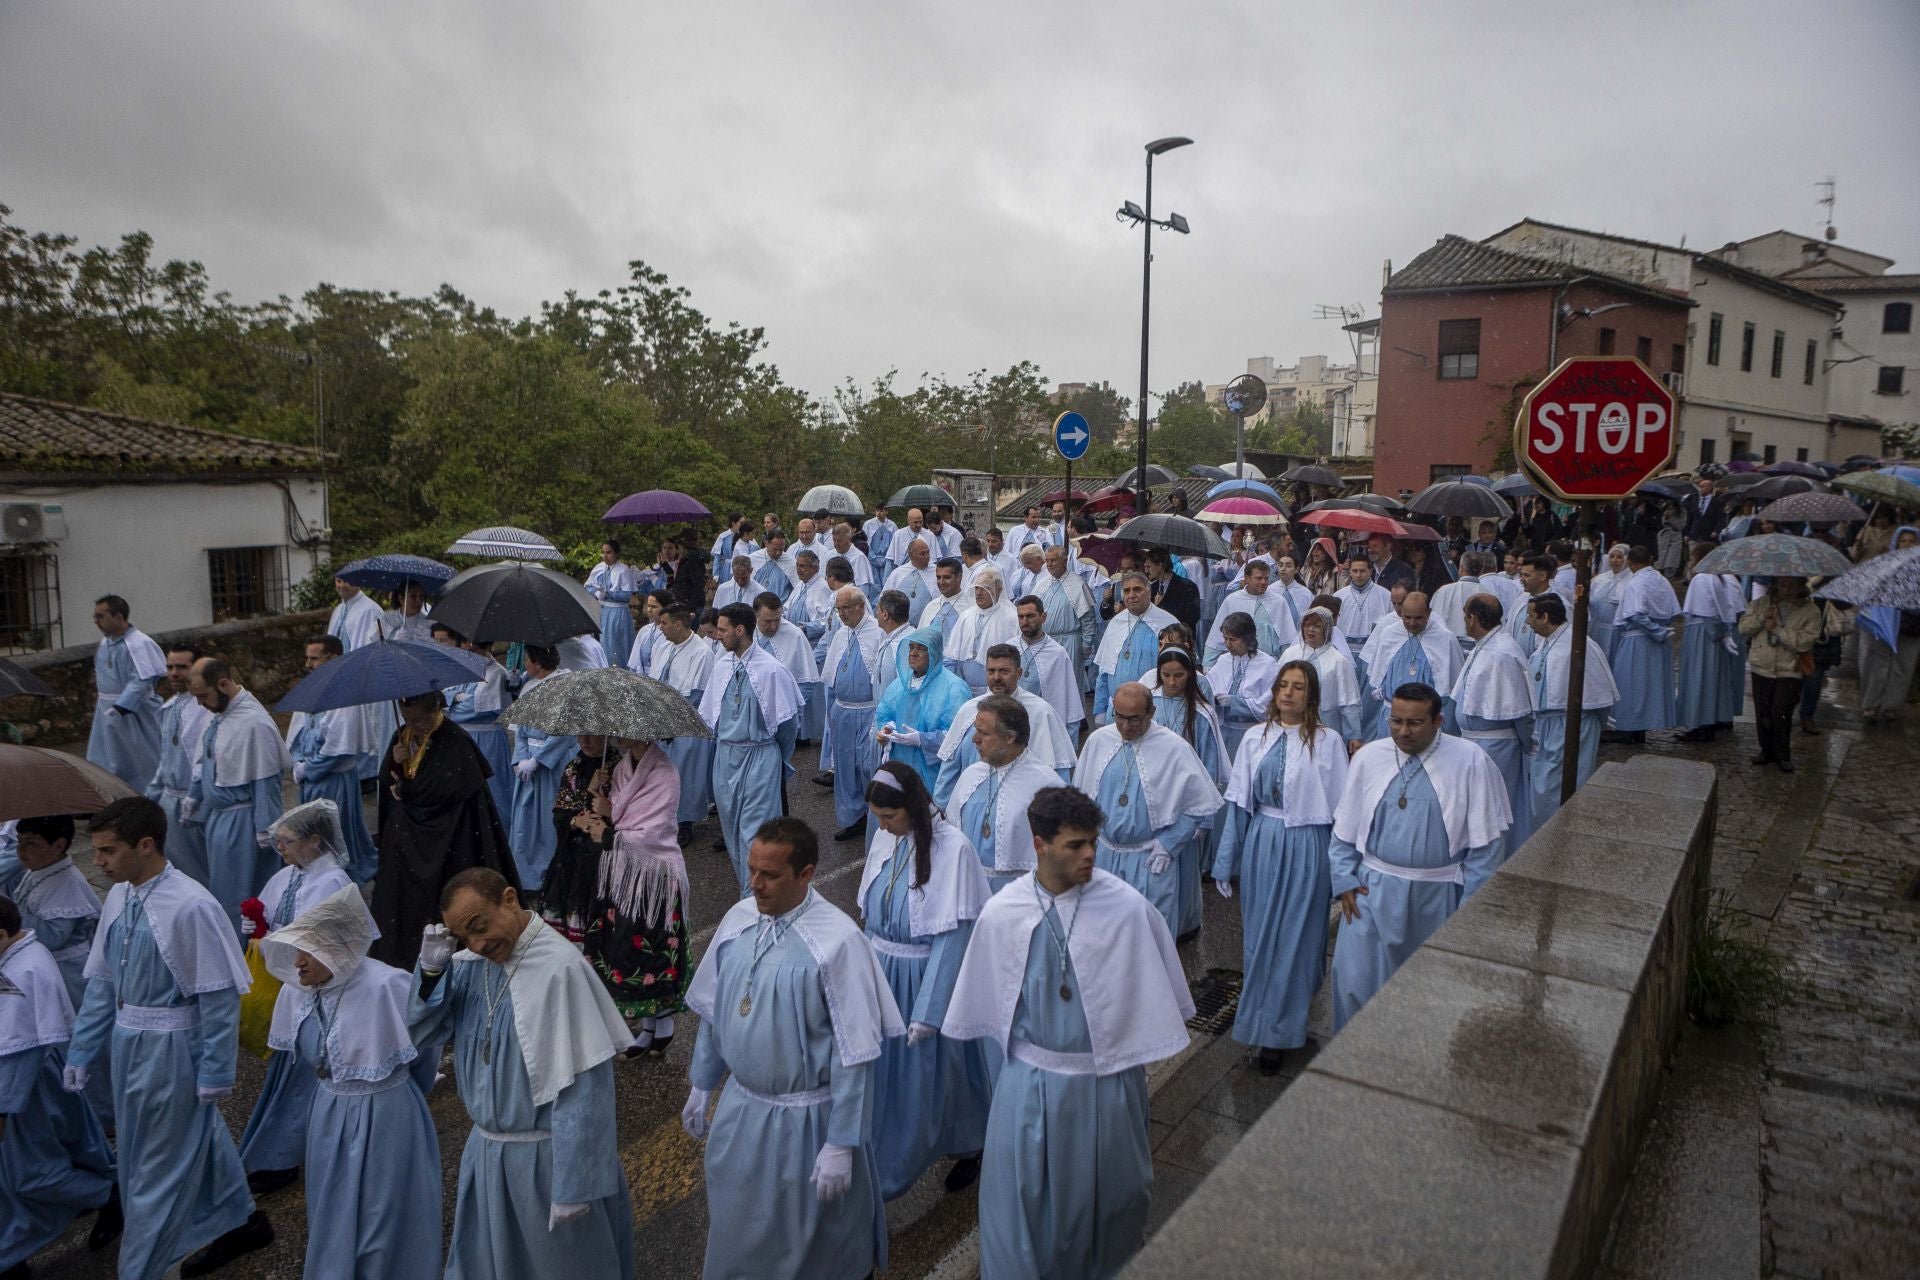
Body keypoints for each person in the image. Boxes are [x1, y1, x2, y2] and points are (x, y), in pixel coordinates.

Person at [943, 785, 1193, 1278]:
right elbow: (987, 1011)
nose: (1090, 855)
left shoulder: (1126, 908)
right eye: (1075, 845)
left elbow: (1155, 997)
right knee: (1019, 1209)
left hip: (1106, 1083)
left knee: (1113, 1206)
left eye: (1092, 843)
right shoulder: (1003, 912)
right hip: (1030, 1085)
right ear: (1039, 844)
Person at [682, 819, 904, 1280]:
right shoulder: (739, 921)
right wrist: (702, 1085)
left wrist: (842, 1142)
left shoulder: (838, 942)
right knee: (740, 1229)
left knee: (811, 1240)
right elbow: (716, 1010)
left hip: (806, 1125)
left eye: (769, 875)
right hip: (743, 1112)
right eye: (751, 870)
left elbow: (853, 1053)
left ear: (806, 874)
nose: (754, 885)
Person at [66, 796, 273, 1278]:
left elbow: (217, 997)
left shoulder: (191, 905)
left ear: (146, 845)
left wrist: (216, 1070)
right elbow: (103, 983)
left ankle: (141, 1266)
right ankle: (243, 1220)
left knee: (153, 1167)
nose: (96, 862)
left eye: (107, 851)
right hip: (128, 1045)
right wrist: (82, 1049)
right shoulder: (120, 895)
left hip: (171, 1052)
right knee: (171, 1142)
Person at [410, 869, 636, 1280]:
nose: (477, 945)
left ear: (509, 899)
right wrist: (430, 970)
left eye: (480, 927)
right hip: (488, 1154)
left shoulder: (559, 969)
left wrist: (575, 1184)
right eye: (464, 938)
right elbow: (424, 1032)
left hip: (547, 1166)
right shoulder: (470, 965)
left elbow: (585, 1087)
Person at [258, 884, 440, 1278]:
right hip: (329, 1109)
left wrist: (408, 1094)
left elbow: (425, 1047)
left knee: (383, 1212)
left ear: (338, 949)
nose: (298, 962)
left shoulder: (385, 985)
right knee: (332, 1204)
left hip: (387, 1110)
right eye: (296, 950)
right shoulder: (298, 993)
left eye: (309, 951)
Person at [1327, 685, 1512, 1029]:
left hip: (1435, 899)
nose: (1402, 731)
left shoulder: (1470, 761)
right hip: (1371, 895)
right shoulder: (1369, 757)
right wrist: (1344, 880)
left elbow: (1486, 850)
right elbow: (1344, 832)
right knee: (1356, 989)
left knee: (1427, 1003)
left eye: (1414, 723)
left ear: (1438, 720)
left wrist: (1466, 914)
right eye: (1395, 721)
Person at [856, 763, 993, 1198]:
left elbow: (953, 939)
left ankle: (964, 1144)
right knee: (884, 1079)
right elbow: (869, 914)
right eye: (877, 818)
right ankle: (879, 1158)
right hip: (882, 971)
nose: (882, 826)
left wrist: (929, 1012)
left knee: (933, 1075)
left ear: (911, 808)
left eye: (888, 817)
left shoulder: (954, 849)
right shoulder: (887, 837)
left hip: (922, 980)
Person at [1212, 659, 1350, 1073]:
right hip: (1264, 840)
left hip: (1309, 842)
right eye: (1283, 686)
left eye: (1298, 687)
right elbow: (1238, 803)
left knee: (1299, 938)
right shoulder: (1256, 738)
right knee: (1260, 939)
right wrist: (1225, 862)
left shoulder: (1328, 742)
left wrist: (1342, 874)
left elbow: (1342, 812)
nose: (1288, 693)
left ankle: (1285, 1028)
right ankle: (1262, 1024)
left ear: (1311, 697)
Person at [234, 799, 359, 1198]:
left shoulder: (332, 882)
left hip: (319, 991)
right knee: (291, 1074)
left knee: (305, 1076)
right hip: (294, 987)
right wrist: (257, 921)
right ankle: (279, 1152)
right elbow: (273, 915)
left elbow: (321, 939)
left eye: (287, 841)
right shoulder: (291, 874)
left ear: (314, 840)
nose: (280, 850)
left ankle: (282, 1157)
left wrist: (271, 936)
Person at [0, 892, 120, 1276]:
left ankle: (108, 1194)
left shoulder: (23, 971)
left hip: (24, 1087)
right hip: (25, 1080)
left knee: (31, 1173)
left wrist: (4, 1109)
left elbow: (17, 1044)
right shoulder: (17, 957)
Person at [370, 690, 517, 973]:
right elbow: (390, 785)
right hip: (406, 841)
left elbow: (446, 789)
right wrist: (394, 763)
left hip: (450, 839)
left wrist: (407, 789)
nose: (416, 726)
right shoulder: (403, 737)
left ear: (436, 709)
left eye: (421, 720)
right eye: (409, 719)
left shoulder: (455, 741)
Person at [1073, 682, 1222, 940]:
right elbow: (1081, 797)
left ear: (1151, 713)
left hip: (1149, 859)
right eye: (1119, 717)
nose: (1126, 727)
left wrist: (1169, 843)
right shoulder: (1099, 740)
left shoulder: (1174, 748)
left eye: (1134, 719)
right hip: (1105, 856)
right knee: (1104, 935)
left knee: (1149, 940)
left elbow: (1199, 805)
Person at [576, 737, 694, 1053]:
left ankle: (663, 1019)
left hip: (654, 872)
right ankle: (647, 1024)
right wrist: (601, 800)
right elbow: (618, 819)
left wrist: (610, 824)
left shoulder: (665, 772)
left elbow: (653, 832)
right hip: (625, 872)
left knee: (654, 944)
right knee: (628, 945)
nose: (616, 733)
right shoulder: (619, 770)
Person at [702, 602, 803, 893]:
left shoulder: (771, 670)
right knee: (731, 830)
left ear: (740, 629)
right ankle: (750, 891)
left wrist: (774, 760)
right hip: (725, 758)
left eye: (722, 630)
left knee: (755, 834)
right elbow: (712, 716)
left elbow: (787, 726)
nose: (717, 636)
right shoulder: (721, 665)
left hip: (759, 757)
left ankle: (757, 898)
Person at [187, 657, 290, 937]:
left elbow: (266, 782)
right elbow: (208, 762)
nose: (200, 704)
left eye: (203, 696)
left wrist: (265, 829)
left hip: (242, 824)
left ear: (223, 684)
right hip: (220, 821)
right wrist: (195, 797)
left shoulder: (255, 723)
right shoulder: (220, 716)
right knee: (222, 889)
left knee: (240, 893)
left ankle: (243, 950)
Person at [285, 634, 382, 884]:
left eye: (314, 658)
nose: (308, 665)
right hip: (311, 780)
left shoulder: (346, 694)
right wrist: (297, 762)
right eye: (307, 658)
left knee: (335, 835)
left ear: (334, 658)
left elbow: (339, 748)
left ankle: (339, 880)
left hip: (333, 781)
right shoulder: (314, 688)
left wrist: (309, 769)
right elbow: (299, 733)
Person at [947, 696, 1066, 895]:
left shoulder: (1047, 785)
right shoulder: (970, 776)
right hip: (967, 889)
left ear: (1010, 737)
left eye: (983, 733)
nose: (974, 739)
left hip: (1020, 896)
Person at [933, 644, 1076, 806]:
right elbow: (949, 767)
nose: (996, 677)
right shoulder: (968, 710)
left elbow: (1058, 774)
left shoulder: (1041, 712)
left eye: (1004, 671)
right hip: (975, 803)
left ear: (1019, 673)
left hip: (1023, 809)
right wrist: (939, 811)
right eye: (991, 671)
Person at [1450, 595, 1536, 861]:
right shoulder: (1484, 645)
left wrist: (1526, 743)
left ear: (1473, 619)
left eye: (1465, 616)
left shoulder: (1501, 652)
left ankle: (1493, 859)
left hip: (1497, 746)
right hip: (1477, 743)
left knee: (1494, 807)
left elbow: (1519, 711)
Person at [1151, 647, 1228, 940]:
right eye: (1166, 675)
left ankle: (1184, 922)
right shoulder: (1151, 702)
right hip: (1155, 794)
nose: (1171, 682)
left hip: (1186, 799)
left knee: (1183, 864)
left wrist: (1204, 819)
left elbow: (1208, 766)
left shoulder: (1201, 712)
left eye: (1179, 676)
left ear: (1190, 676)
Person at [1526, 594, 1618, 835]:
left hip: (1570, 722)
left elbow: (1597, 694)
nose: (1527, 621)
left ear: (1545, 617)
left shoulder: (1575, 646)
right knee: (1544, 785)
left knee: (1563, 783)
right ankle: (1544, 833)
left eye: (1531, 615)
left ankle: (1564, 832)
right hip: (1547, 724)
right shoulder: (1547, 641)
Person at [6, 815, 101, 1015]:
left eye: (31, 843)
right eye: (20, 842)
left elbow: (54, 937)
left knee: (69, 1019)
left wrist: (14, 913)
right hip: (48, 966)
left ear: (59, 845)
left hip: (67, 972)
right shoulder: (39, 870)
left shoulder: (66, 882)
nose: (21, 851)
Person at [816, 586, 886, 842]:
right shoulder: (840, 635)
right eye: (838, 608)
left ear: (860, 606)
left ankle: (876, 816)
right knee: (845, 769)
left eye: (846, 608)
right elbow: (832, 676)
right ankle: (852, 816)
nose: (841, 614)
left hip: (868, 710)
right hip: (843, 710)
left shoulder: (877, 634)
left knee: (868, 766)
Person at [433, 621, 517, 821]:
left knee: (494, 792)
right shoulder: (462, 668)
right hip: (463, 737)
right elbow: (446, 701)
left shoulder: (496, 673)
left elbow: (469, 709)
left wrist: (457, 700)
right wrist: (456, 700)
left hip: (487, 739)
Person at [508, 646, 577, 890]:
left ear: (538, 663)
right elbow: (520, 732)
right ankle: (527, 874)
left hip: (552, 764)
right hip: (529, 763)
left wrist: (539, 759)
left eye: (527, 659)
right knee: (526, 822)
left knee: (549, 820)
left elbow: (566, 732)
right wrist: (521, 758)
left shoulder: (565, 687)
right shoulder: (529, 687)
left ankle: (551, 872)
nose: (524, 663)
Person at [873, 625, 971, 795]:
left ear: (933, 652)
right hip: (900, 769)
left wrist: (923, 739)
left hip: (933, 775)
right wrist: (888, 729)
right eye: (911, 647)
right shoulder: (901, 684)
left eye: (921, 648)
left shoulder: (954, 688)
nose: (913, 653)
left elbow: (960, 735)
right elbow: (885, 713)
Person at [146, 643, 212, 887]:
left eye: (181, 667)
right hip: (169, 799)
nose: (173, 673)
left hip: (194, 800)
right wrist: (151, 797)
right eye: (170, 667)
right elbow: (166, 759)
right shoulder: (171, 706)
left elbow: (203, 760)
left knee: (200, 869)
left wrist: (195, 797)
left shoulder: (205, 709)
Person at [1739, 576, 1821, 773]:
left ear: (1799, 586)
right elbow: (1743, 628)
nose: (1785, 590)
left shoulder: (1810, 611)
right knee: (1763, 711)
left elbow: (1805, 642)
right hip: (1762, 665)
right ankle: (1766, 750)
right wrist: (1760, 619)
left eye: (1790, 586)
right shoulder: (1760, 604)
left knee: (1780, 710)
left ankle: (1783, 754)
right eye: (1781, 585)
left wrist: (1777, 630)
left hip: (1789, 668)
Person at [86, 594, 166, 794]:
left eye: (100, 616)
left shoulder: (139, 644)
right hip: (107, 711)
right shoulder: (106, 642)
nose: (96, 622)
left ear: (119, 616)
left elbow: (142, 679)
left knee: (141, 759)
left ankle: (148, 797)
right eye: (95, 617)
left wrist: (122, 707)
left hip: (132, 711)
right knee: (108, 760)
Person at [651, 604, 717, 844]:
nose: (661, 628)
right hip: (661, 720)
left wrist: (670, 717)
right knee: (660, 774)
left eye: (664, 623)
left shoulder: (702, 652)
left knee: (684, 775)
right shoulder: (662, 647)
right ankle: (663, 819)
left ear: (678, 624)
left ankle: (685, 823)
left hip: (687, 723)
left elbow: (696, 694)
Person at [1358, 592, 1463, 740]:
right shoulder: (1389, 634)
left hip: (1426, 721)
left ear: (1429, 613)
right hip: (1392, 718)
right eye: (1407, 617)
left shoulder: (1445, 639)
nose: (1412, 623)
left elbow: (1453, 688)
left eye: (1418, 618)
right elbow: (1376, 678)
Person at [326, 576, 395, 779]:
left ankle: (367, 774)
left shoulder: (370, 609)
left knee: (364, 725)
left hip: (360, 678)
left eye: (346, 581)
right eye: (338, 581)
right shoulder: (339, 610)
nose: (341, 586)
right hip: (340, 676)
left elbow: (368, 647)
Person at [1676, 546, 1745, 743]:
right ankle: (1712, 719)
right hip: (1714, 634)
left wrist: (1718, 632)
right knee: (1712, 678)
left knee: (1699, 678)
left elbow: (1705, 610)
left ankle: (1700, 724)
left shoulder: (1701, 579)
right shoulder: (1723, 578)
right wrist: (1723, 633)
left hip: (1701, 634)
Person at [1093, 571, 1177, 724]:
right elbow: (1104, 671)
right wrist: (1100, 709)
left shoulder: (1168, 623)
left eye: (1137, 589)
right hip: (1116, 712)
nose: (1131, 595)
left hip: (1154, 712)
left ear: (1148, 591)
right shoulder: (1115, 623)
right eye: (1126, 590)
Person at [1277, 605, 1364, 747]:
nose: (1310, 630)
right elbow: (1277, 690)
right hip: (1291, 723)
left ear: (1327, 630)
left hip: (1326, 726)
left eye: (1317, 626)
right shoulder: (1290, 654)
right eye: (1307, 625)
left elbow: (1349, 700)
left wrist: (1354, 735)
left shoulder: (1338, 660)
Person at [1859, 525, 1920, 724]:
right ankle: (1871, 703)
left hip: (1911, 623)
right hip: (1885, 620)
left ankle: (1891, 705)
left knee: (1903, 665)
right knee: (1878, 662)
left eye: (1912, 541)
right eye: (1903, 541)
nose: (1907, 545)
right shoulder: (1885, 564)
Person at [756, 592, 824, 747]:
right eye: (767, 621)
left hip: (783, 713)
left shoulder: (795, 635)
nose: (773, 626)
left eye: (777, 620)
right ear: (756, 616)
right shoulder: (747, 633)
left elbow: (808, 680)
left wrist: (789, 708)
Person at [1012, 594, 1084, 735]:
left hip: (1042, 726)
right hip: (1013, 724)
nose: (1024, 621)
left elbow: (1068, 702)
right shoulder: (1010, 647)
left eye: (1030, 616)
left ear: (1043, 617)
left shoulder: (1057, 653)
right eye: (1021, 617)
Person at [1205, 559, 1294, 662]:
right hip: (1237, 660)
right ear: (1247, 578)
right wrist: (1209, 663)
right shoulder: (1232, 600)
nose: (1264, 582)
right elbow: (1217, 636)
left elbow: (1287, 638)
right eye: (1259, 578)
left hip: (1268, 663)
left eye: (1266, 578)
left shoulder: (1279, 602)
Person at [949, 568, 1020, 694]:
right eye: (976, 588)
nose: (979, 593)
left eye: (985, 588)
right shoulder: (966, 616)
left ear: (998, 590)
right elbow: (952, 655)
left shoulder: (1011, 618)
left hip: (998, 690)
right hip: (964, 688)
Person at [585, 540, 641, 669]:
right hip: (603, 610)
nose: (605, 556)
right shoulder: (599, 568)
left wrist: (609, 593)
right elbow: (589, 586)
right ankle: (606, 669)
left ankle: (619, 670)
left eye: (609, 552)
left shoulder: (623, 570)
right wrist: (597, 591)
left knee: (616, 644)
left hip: (617, 612)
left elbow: (626, 596)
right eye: (603, 552)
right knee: (604, 643)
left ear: (616, 554)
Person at [1586, 544, 1634, 659]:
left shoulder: (1632, 581)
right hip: (1596, 629)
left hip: (1618, 632)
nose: (1615, 560)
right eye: (1612, 556)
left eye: (1619, 557)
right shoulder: (1599, 580)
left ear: (1627, 559)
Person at [884, 537, 939, 622]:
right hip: (900, 624)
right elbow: (885, 599)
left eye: (928, 552)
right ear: (911, 555)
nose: (927, 556)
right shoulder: (898, 573)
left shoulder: (936, 572)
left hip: (928, 624)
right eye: (922, 554)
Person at [750, 529, 796, 600]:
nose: (778, 553)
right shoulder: (753, 558)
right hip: (756, 604)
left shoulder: (790, 562)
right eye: (774, 549)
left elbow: (797, 588)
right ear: (766, 543)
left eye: (781, 549)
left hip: (779, 606)